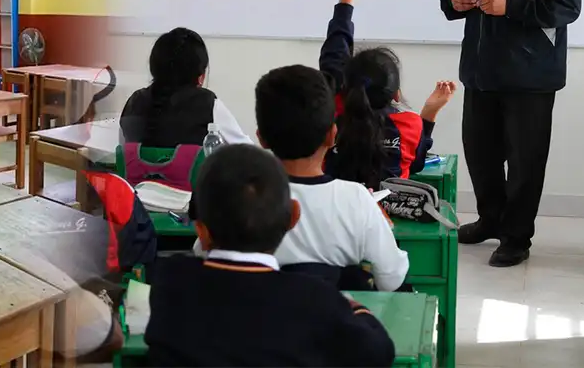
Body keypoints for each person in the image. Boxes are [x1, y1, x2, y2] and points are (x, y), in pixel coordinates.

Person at [439, 0, 582, 267]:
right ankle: (490, 220)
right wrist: (455, 0)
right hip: (481, 72)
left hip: (531, 76)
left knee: (524, 161)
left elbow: (567, 6)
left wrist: (510, 6)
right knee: (480, 154)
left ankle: (517, 237)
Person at [145, 143, 395, 367]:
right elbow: (379, 352)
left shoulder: (170, 283)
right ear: (293, 217)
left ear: (202, 231)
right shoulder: (314, 299)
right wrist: (355, 307)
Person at [248, 64, 410, 291]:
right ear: (332, 135)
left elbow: (206, 255)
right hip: (334, 322)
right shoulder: (356, 199)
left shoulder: (241, 196)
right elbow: (392, 278)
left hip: (258, 321)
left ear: (261, 138)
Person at [321, 0, 457, 188]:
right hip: (386, 218)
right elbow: (416, 163)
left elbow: (336, 47)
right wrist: (429, 114)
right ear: (395, 94)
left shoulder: (333, 111)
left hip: (336, 213)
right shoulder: (410, 124)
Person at [119, 27, 252, 147]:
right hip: (194, 175)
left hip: (135, 175)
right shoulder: (208, 104)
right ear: (200, 76)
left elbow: (122, 152)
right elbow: (249, 153)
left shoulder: (135, 102)